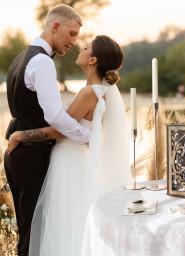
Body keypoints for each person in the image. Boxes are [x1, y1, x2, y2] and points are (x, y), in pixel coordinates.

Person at [7, 35, 130, 256]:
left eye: (85, 48)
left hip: (68, 161)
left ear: (92, 60)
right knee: (72, 220)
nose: (79, 49)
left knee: (63, 223)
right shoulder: (98, 91)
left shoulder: (88, 93)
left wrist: (21, 135)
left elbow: (59, 131)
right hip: (76, 159)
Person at [4, 5, 92, 256]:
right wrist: (88, 136)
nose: (74, 42)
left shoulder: (21, 57)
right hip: (31, 155)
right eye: (72, 34)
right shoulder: (42, 62)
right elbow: (54, 116)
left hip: (17, 152)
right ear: (55, 26)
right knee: (34, 232)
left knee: (27, 230)